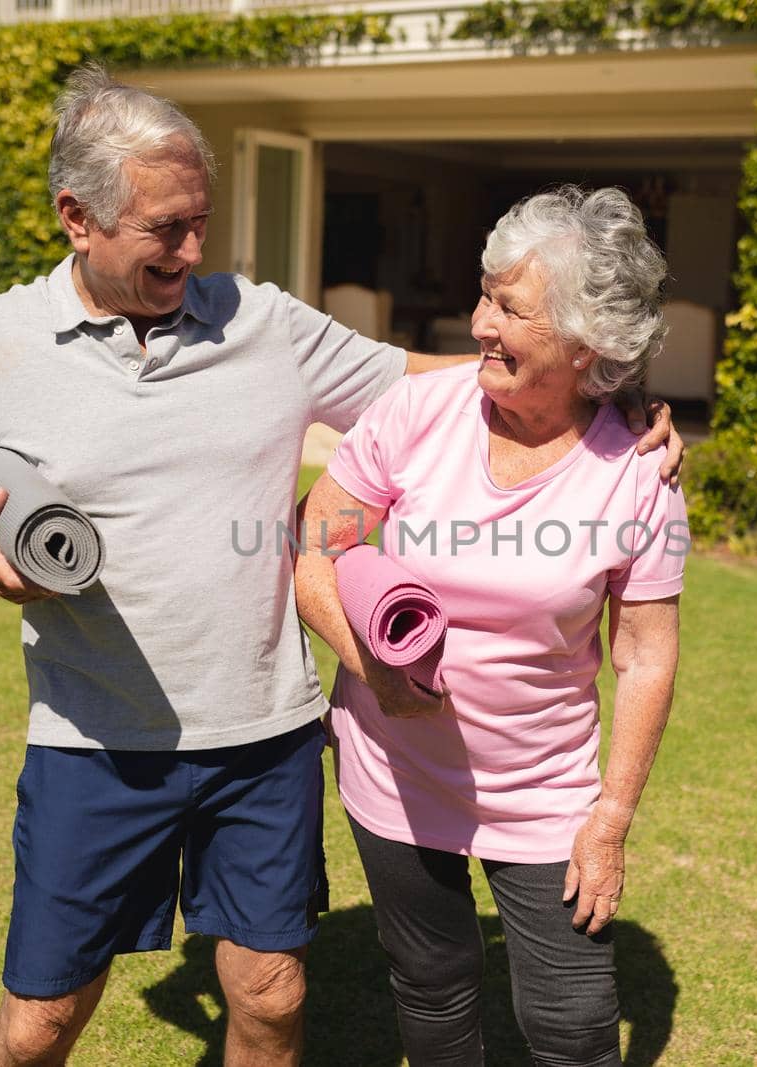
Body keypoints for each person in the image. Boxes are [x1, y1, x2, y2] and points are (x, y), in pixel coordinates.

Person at [0, 67, 684, 1067]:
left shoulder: (262, 324)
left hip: (265, 741)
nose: (193, 251)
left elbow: (427, 375)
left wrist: (612, 392)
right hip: (94, 738)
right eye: (165, 227)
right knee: (42, 1017)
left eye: (200, 222)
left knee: (271, 995)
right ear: (75, 217)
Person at [295, 186, 687, 1067]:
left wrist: (611, 816)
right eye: (484, 294)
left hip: (547, 788)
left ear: (588, 346)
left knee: (574, 1021)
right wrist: (374, 667)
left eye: (509, 308)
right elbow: (317, 552)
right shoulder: (417, 414)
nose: (479, 323)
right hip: (393, 768)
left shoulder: (638, 472)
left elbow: (645, 653)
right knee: (431, 982)